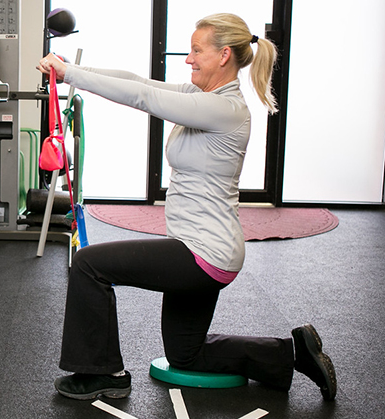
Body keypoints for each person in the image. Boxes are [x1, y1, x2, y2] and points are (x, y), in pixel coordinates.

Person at [37, 13, 336, 401]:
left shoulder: (226, 109)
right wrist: (70, 68)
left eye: (197, 51)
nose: (188, 59)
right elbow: (139, 82)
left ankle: (102, 373)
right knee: (186, 355)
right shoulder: (202, 97)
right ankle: (293, 352)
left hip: (201, 253)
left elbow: (143, 98)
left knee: (90, 265)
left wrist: (69, 74)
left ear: (224, 55)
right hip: (201, 248)